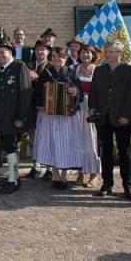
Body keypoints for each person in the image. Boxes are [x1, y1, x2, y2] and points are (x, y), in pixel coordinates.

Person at [88, 40, 131, 200]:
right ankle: (107, 184)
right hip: (103, 117)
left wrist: (126, 115)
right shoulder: (99, 70)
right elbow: (94, 92)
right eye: (106, 51)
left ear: (120, 54)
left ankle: (127, 186)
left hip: (122, 117)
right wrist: (92, 107)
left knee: (125, 152)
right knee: (105, 152)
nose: (108, 54)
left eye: (111, 52)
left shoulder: (130, 70)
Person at [32, 47, 83, 190]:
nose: (56, 59)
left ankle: (64, 175)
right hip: (49, 116)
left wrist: (75, 92)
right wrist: (39, 105)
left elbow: (79, 91)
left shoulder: (71, 72)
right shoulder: (46, 73)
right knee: (52, 144)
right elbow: (37, 93)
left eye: (59, 56)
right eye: (53, 56)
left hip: (67, 117)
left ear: (65, 58)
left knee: (65, 145)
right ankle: (55, 173)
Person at [0, 36, 31, 194]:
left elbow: (25, 93)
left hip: (14, 117)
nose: (0, 55)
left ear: (11, 52)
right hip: (2, 117)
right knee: (7, 147)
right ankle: (11, 177)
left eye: (3, 52)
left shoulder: (19, 67)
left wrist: (20, 117)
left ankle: (14, 181)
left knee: (12, 147)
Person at [71, 44, 101, 187]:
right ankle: (81, 172)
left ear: (93, 55)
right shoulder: (73, 69)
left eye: (88, 53)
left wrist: (96, 108)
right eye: (83, 53)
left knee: (92, 140)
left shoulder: (99, 71)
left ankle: (94, 174)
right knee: (78, 140)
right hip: (76, 108)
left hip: (92, 108)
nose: (85, 55)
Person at [25, 39, 52, 179]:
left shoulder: (52, 66)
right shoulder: (29, 65)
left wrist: (38, 77)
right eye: (37, 50)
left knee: (48, 137)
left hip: (46, 106)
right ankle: (36, 166)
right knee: (33, 136)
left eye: (42, 50)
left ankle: (50, 168)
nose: (40, 52)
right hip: (32, 106)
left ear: (47, 51)